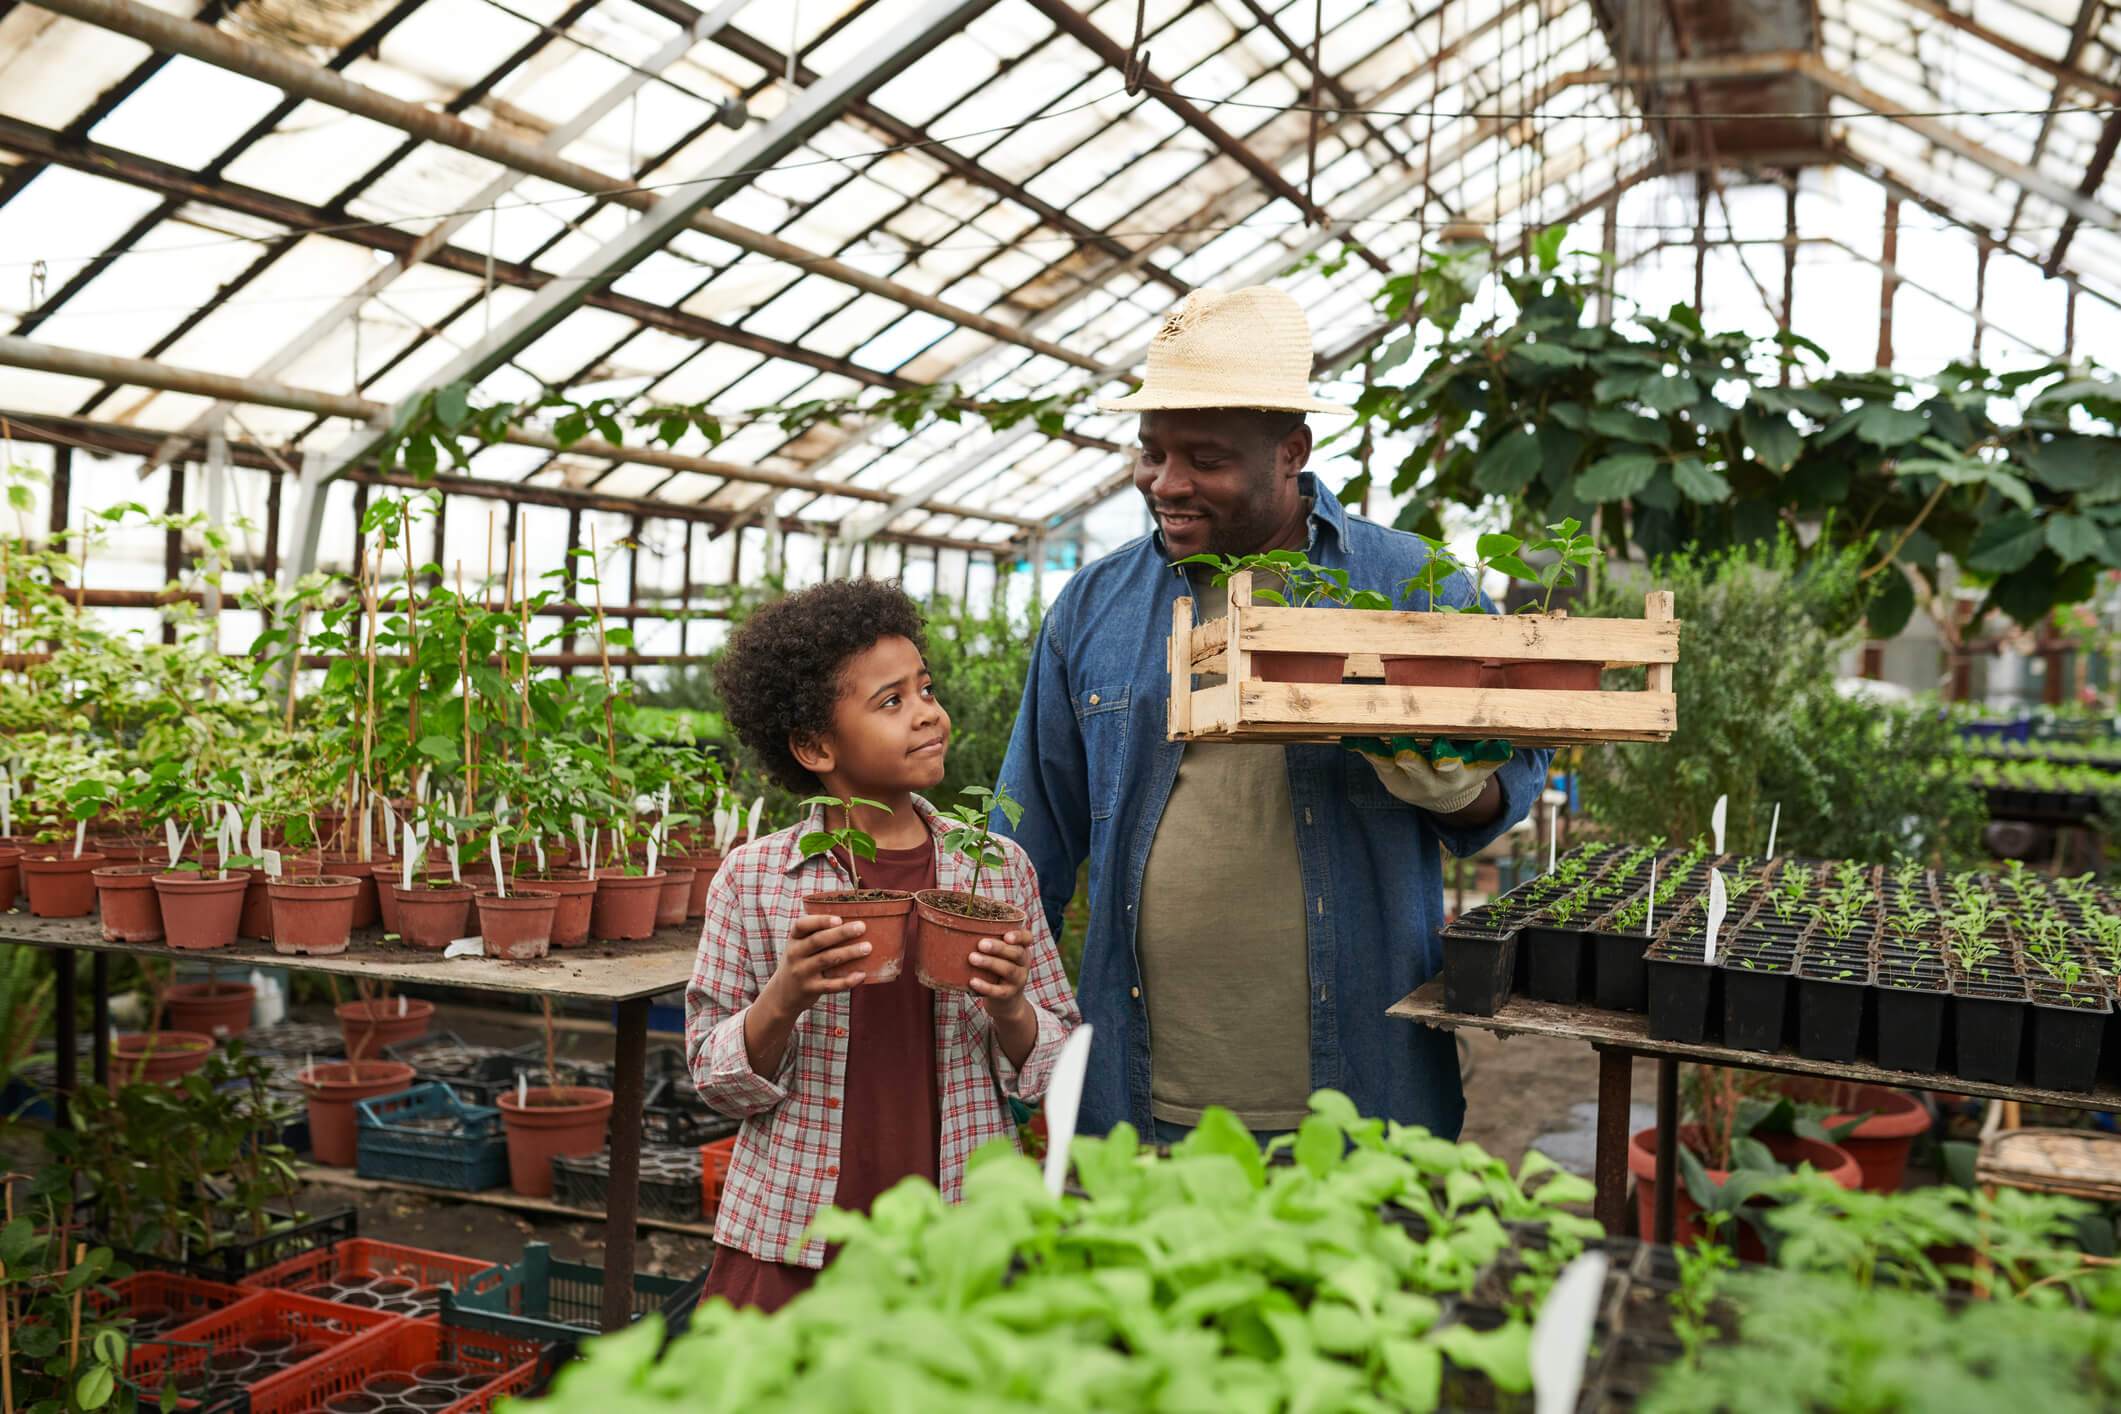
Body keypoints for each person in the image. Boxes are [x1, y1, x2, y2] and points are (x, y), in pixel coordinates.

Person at [996, 286, 1550, 1143]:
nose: (1166, 484)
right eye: (1150, 453)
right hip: (1139, 1099)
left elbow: (1504, 795)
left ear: (1291, 451)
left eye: (1204, 459)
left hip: (1360, 1093)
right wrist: (1023, 1050)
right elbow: (1029, 843)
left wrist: (1445, 785)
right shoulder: (1093, 604)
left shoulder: (1411, 586)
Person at [685, 579, 1078, 1311]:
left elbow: (1058, 1065)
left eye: (924, 689)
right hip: (797, 1230)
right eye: (890, 701)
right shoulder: (756, 877)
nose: (926, 712)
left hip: (958, 1228)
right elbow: (713, 1081)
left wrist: (1011, 1007)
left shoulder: (993, 868)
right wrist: (786, 994)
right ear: (812, 746)